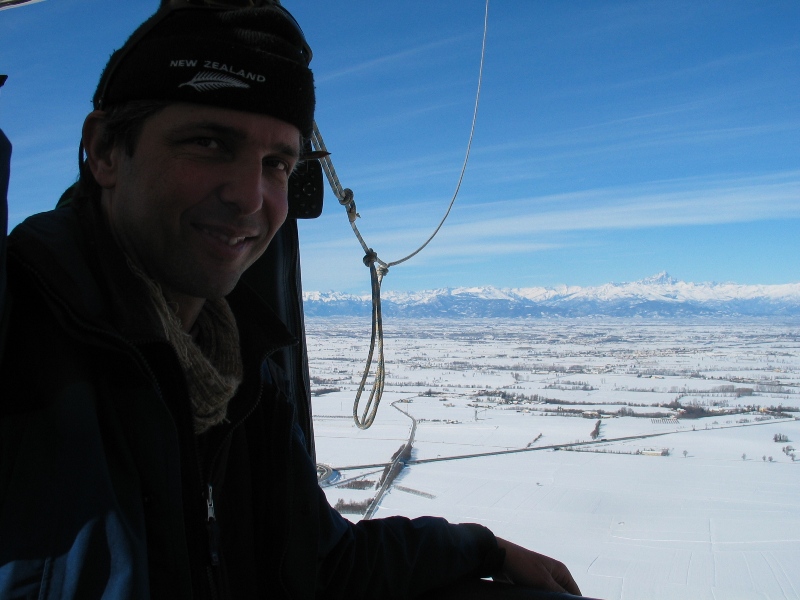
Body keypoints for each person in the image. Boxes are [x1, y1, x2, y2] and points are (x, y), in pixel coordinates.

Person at [0, 2, 586, 598]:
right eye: (208, 143)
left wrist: (483, 548)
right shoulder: (20, 330)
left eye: (277, 163)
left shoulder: (243, 378)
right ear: (104, 152)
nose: (250, 196)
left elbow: (322, 566)